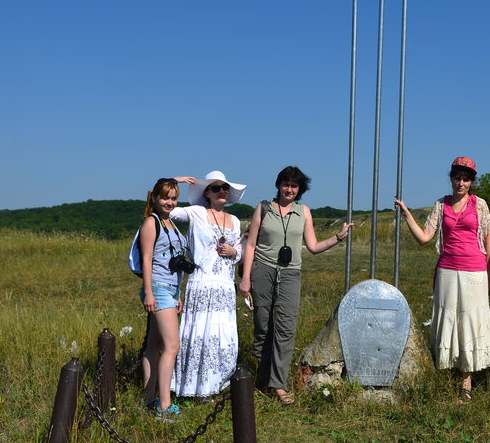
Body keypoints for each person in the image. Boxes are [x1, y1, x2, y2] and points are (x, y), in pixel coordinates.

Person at [237, 166, 353, 405]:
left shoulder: (304, 212)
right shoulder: (263, 208)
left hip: (290, 274)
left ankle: (278, 384)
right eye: (286, 184)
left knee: (285, 328)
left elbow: (313, 246)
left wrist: (338, 238)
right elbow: (250, 245)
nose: (289, 189)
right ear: (278, 185)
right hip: (263, 270)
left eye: (294, 186)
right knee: (262, 327)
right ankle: (263, 375)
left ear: (300, 190)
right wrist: (246, 278)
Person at [394, 156, 490, 401]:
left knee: (471, 321)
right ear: (451, 179)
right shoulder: (441, 205)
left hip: (475, 271)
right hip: (448, 269)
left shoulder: (479, 205)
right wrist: (407, 214)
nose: (460, 183)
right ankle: (447, 367)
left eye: (465, 179)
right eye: (457, 178)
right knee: (449, 319)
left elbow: (489, 243)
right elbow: (424, 237)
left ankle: (467, 380)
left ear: (471, 182)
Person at [170, 170, 244, 399]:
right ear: (206, 193)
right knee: (201, 332)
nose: (222, 191)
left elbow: (240, 251)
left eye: (225, 188)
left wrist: (234, 252)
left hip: (224, 284)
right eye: (215, 188)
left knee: (223, 333)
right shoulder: (196, 213)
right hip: (202, 281)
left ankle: (219, 384)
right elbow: (165, 209)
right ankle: (195, 387)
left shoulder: (235, 221)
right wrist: (174, 182)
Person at [137, 176, 196, 420]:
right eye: (165, 198)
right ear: (154, 197)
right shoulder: (152, 223)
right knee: (172, 346)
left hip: (171, 289)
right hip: (158, 289)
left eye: (173, 198)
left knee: (154, 345)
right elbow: (147, 260)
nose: (169, 202)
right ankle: (164, 405)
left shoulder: (170, 223)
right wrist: (149, 293)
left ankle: (149, 398)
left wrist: (178, 293)